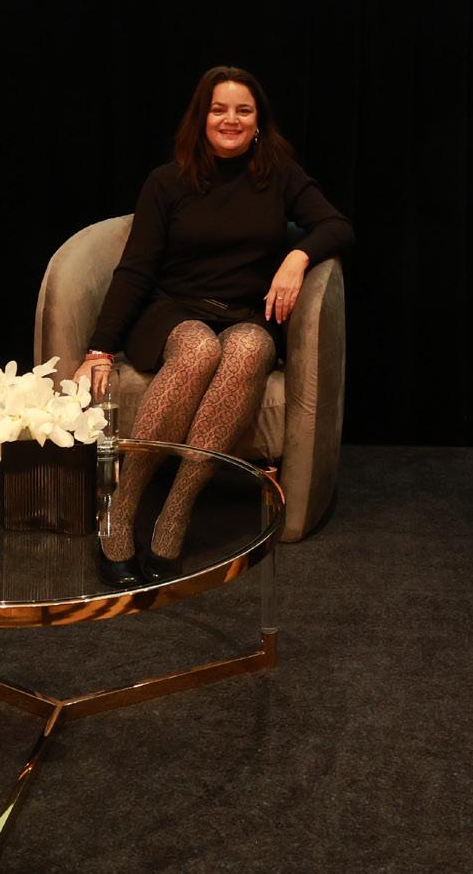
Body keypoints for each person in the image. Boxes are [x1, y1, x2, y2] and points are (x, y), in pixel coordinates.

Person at [77, 66, 354, 584]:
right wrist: (100, 348)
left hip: (245, 314)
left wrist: (297, 257)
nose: (231, 119)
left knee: (248, 349)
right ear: (201, 118)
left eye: (243, 110)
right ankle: (121, 506)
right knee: (199, 349)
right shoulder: (168, 181)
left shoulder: (279, 174)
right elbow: (135, 270)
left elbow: (337, 226)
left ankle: (177, 510)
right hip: (173, 310)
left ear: (258, 121)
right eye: (219, 109)